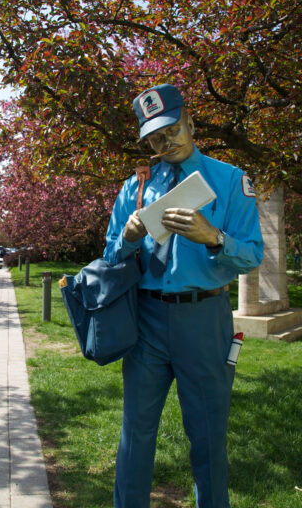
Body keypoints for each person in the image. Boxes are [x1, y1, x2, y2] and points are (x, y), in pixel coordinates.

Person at [103, 83, 264, 508]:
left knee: (208, 436)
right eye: (154, 136)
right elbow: (108, 254)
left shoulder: (231, 180)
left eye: (172, 128)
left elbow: (252, 256)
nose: (166, 141)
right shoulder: (135, 186)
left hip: (205, 320)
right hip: (147, 322)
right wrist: (128, 236)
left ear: (190, 121)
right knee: (135, 434)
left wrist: (213, 237)